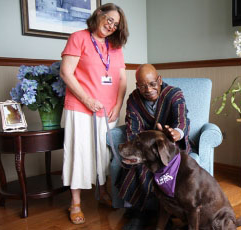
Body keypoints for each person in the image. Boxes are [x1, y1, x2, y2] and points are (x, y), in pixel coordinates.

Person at [60, 3, 129, 225]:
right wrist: (87, 100)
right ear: (99, 14)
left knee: (102, 153)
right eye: (109, 20)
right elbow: (66, 73)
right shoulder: (78, 37)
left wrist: (118, 105)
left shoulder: (115, 46)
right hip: (80, 107)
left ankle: (102, 192)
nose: (111, 26)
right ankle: (76, 202)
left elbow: (122, 79)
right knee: (79, 153)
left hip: (107, 111)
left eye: (115, 24)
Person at [116, 64, 191, 230]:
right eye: (142, 85)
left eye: (152, 84)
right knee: (135, 164)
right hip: (144, 148)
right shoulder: (133, 99)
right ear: (137, 86)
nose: (148, 89)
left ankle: (168, 213)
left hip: (171, 147)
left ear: (160, 80)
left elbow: (182, 120)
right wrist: (143, 148)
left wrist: (176, 133)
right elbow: (132, 128)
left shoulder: (174, 94)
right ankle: (138, 213)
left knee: (165, 167)